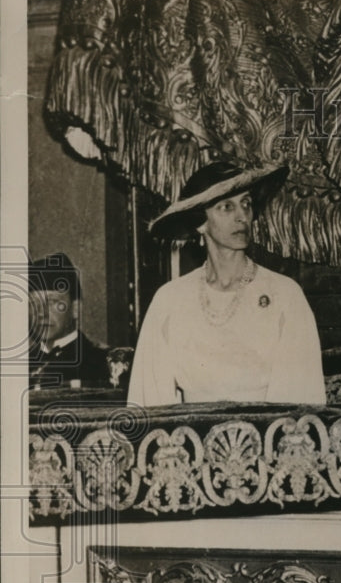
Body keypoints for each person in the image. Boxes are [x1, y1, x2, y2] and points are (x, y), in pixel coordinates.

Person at [127, 162, 326, 406]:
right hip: (186, 440)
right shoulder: (170, 299)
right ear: (201, 223)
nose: (242, 216)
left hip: (268, 438)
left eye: (246, 204)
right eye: (226, 207)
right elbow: (149, 400)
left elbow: (299, 403)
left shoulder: (285, 294)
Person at [28, 252, 109, 389]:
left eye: (52, 301)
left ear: (75, 308)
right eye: (34, 304)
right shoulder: (18, 365)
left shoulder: (101, 362)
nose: (41, 313)